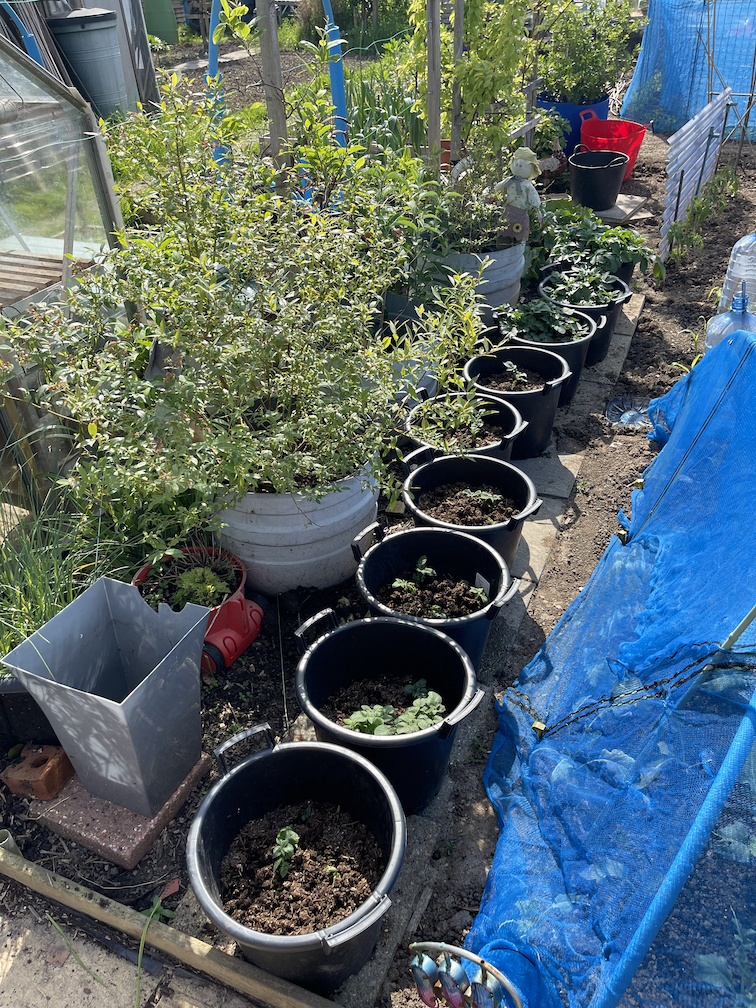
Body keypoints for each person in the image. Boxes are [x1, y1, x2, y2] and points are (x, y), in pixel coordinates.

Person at [495, 147, 542, 223]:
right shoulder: (510, 180)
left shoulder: (527, 185)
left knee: (520, 230)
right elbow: (499, 187)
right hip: (508, 210)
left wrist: (537, 209)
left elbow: (533, 197)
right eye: (516, 164)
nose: (518, 166)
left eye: (521, 166)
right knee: (504, 227)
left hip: (521, 213)